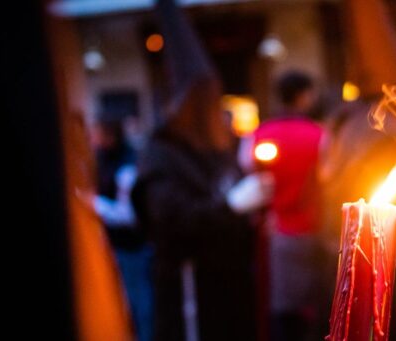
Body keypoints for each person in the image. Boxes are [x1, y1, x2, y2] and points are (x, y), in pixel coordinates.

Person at [131, 0, 273, 339]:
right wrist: (232, 205)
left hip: (231, 282)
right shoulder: (162, 154)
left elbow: (230, 192)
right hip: (191, 291)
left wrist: (253, 200)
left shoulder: (217, 149)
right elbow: (171, 220)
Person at [242, 71, 327, 341]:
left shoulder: (258, 136)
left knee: (282, 311)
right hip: (314, 230)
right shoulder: (320, 135)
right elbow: (329, 179)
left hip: (276, 233)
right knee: (313, 310)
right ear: (303, 96)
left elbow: (251, 183)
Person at [90, 112, 154, 341]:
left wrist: (94, 204)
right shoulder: (104, 161)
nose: (93, 139)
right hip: (117, 243)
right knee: (127, 301)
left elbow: (128, 214)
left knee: (140, 301)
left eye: (96, 134)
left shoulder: (126, 167)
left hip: (132, 245)